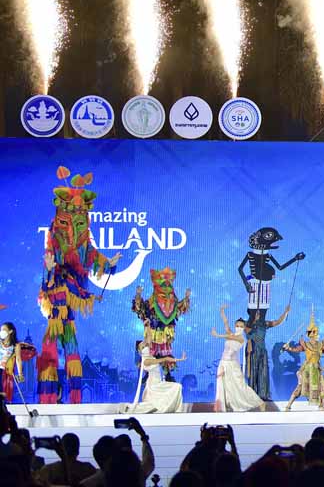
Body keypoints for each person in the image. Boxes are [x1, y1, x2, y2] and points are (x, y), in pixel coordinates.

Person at [37, 167, 122, 403]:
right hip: (55, 307)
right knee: (51, 350)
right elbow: (47, 274)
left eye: (80, 216)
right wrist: (49, 268)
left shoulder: (83, 246)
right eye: (70, 216)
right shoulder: (54, 239)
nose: (74, 222)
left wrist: (109, 264)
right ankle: (48, 397)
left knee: (72, 350)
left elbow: (92, 257)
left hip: (69, 311)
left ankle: (75, 398)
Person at [132, 267, 190, 380]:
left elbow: (180, 308)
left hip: (165, 332)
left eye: (168, 285)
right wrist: (138, 295)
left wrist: (186, 298)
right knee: (151, 351)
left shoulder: (172, 302)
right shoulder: (152, 302)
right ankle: (148, 373)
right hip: (152, 333)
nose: (166, 289)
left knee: (165, 352)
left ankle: (167, 374)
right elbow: (140, 308)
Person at [210, 305, 265, 412]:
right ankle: (225, 406)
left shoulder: (241, 338)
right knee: (224, 386)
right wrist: (222, 311)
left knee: (240, 386)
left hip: (233, 366)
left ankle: (259, 402)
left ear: (244, 328)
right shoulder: (231, 333)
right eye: (237, 326)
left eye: (241, 326)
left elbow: (230, 337)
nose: (238, 328)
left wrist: (217, 335)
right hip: (223, 364)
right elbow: (226, 323)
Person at [281, 309, 324, 410]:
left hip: (317, 370)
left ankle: (321, 406)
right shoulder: (306, 345)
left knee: (323, 387)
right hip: (306, 370)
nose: (314, 334)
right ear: (308, 334)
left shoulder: (321, 345)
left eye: (315, 332)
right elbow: (296, 350)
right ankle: (288, 405)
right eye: (312, 332)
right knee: (300, 387)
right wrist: (288, 348)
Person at [245, 304, 291, 402]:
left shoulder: (264, 323)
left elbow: (277, 322)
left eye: (259, 312)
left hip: (262, 350)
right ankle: (251, 395)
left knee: (263, 372)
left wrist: (285, 312)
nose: (258, 313)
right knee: (253, 372)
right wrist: (254, 322)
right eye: (255, 312)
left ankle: (263, 395)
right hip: (252, 350)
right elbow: (247, 332)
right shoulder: (247, 324)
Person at [128, 340, 185, 413]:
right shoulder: (147, 361)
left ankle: (174, 410)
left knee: (177, 387)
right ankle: (175, 410)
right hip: (154, 385)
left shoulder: (152, 357)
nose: (146, 346)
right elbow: (165, 359)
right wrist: (179, 359)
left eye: (146, 345)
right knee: (177, 387)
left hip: (157, 382)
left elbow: (165, 357)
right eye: (142, 347)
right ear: (140, 351)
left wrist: (180, 359)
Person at [0, 322, 35, 402]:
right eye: (1, 329)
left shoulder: (16, 345)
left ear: (10, 331)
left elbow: (18, 360)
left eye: (4, 329)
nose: (1, 331)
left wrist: (20, 374)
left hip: (4, 371)